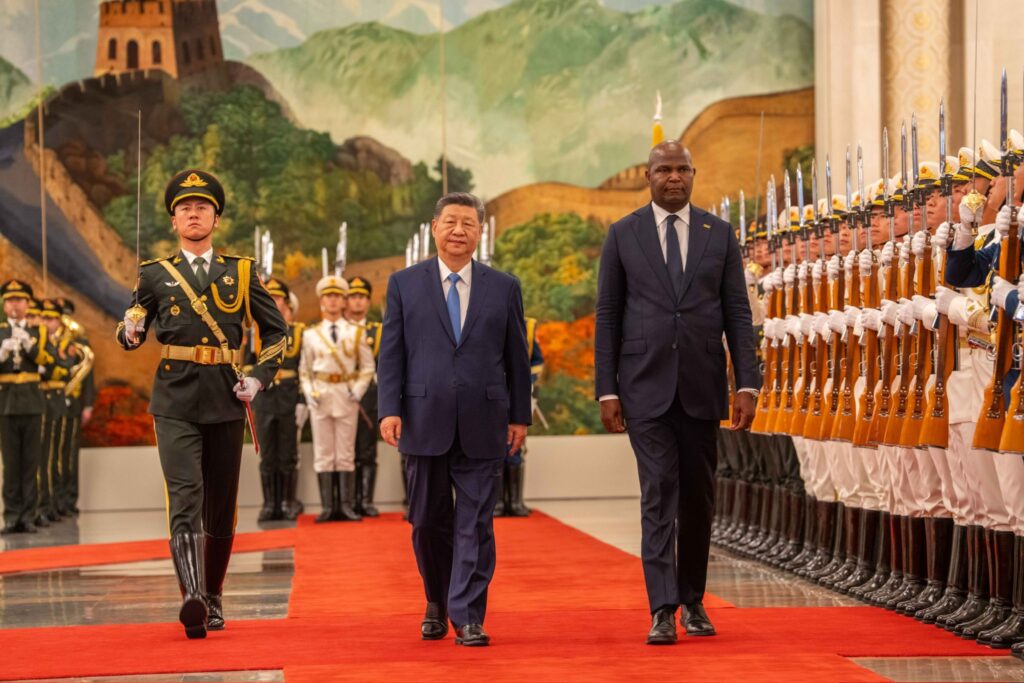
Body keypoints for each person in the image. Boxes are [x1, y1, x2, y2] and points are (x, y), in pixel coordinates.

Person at [594, 140, 759, 645]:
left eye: (681, 169)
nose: (673, 177)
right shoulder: (623, 234)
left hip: (703, 385)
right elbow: (608, 315)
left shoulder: (720, 233)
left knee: (698, 498)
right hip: (643, 387)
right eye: (663, 169)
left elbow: (737, 311)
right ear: (647, 176)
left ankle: (693, 601)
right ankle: (662, 607)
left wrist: (747, 381)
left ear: (694, 173)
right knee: (659, 491)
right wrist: (606, 390)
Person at [117, 169, 287, 639]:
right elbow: (132, 322)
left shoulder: (242, 271)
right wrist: (129, 331)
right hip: (172, 398)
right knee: (184, 494)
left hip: (226, 398)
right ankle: (190, 595)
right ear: (174, 220)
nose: (194, 214)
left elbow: (278, 332)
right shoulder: (154, 274)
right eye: (185, 209)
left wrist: (258, 377)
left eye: (202, 208)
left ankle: (213, 594)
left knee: (222, 506)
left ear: (216, 217)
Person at [377, 192, 531, 647]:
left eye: (468, 223)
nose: (459, 230)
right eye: (450, 222)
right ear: (434, 227)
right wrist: (389, 408)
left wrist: (519, 416)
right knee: (426, 521)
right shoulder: (404, 284)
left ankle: (468, 615)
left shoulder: (504, 287)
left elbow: (516, 358)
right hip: (424, 419)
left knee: (476, 523)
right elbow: (392, 354)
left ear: (481, 232)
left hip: (486, 421)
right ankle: (435, 602)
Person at [300, 275, 374, 522]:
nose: (332, 301)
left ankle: (344, 505)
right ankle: (327, 507)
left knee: (344, 451)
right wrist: (310, 393)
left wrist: (358, 389)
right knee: (323, 452)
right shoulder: (310, 335)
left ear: (343, 302)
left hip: (345, 394)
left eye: (336, 297)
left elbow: (367, 366)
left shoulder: (355, 333)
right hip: (321, 393)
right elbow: (305, 370)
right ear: (321, 301)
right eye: (327, 297)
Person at [247, 277, 305, 522]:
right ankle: (270, 504)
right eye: (269, 297)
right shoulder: (255, 333)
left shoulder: (299, 332)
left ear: (287, 302)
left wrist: (302, 398)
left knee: (288, 452)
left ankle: (287, 501)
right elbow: (248, 365)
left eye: (278, 298)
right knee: (268, 453)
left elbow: (304, 368)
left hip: (289, 396)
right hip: (265, 397)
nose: (274, 302)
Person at [0, 280, 52, 534]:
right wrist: (2, 352)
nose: (14, 305)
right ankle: (11, 515)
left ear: (27, 304)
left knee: (31, 462)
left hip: (32, 401)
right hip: (6, 402)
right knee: (10, 463)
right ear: (4, 304)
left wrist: (28, 345)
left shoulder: (38, 332)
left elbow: (47, 362)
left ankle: (29, 514)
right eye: (10, 301)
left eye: (19, 301)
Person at [343, 275, 383, 517]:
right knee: (345, 449)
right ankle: (348, 501)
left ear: (368, 302)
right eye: (353, 297)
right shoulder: (339, 330)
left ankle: (365, 500)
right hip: (343, 393)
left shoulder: (379, 330)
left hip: (369, 393)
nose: (358, 302)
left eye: (362, 297)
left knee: (366, 448)